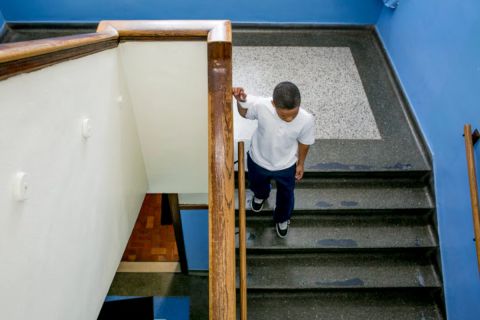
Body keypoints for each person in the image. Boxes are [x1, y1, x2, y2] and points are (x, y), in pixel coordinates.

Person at [233, 82, 315, 238]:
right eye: (284, 115)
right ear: (273, 104)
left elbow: (304, 143)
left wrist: (301, 163)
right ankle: (260, 196)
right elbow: (244, 113)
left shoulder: (306, 119)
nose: (289, 118)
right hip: (258, 159)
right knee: (257, 184)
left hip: (286, 165)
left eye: (293, 114)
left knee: (286, 194)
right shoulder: (262, 105)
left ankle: (282, 218)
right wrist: (239, 101)